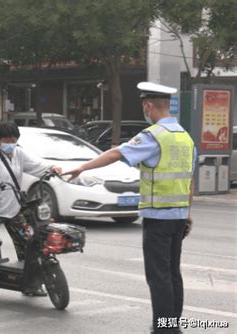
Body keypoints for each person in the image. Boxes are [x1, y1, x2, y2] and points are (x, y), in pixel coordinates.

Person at [63, 82, 195, 333]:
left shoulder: (153, 135)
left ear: (147, 106)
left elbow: (115, 153)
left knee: (159, 276)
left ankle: (164, 329)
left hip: (158, 216)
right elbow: (189, 179)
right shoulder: (184, 137)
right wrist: (187, 214)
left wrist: (81, 168)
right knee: (172, 272)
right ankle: (173, 325)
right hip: (178, 216)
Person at [0, 121, 62, 305]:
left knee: (28, 243)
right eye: (7, 139)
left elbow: (37, 164)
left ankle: (30, 284)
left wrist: (51, 168)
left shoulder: (18, 152)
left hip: (12, 207)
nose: (11, 142)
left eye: (14, 139)